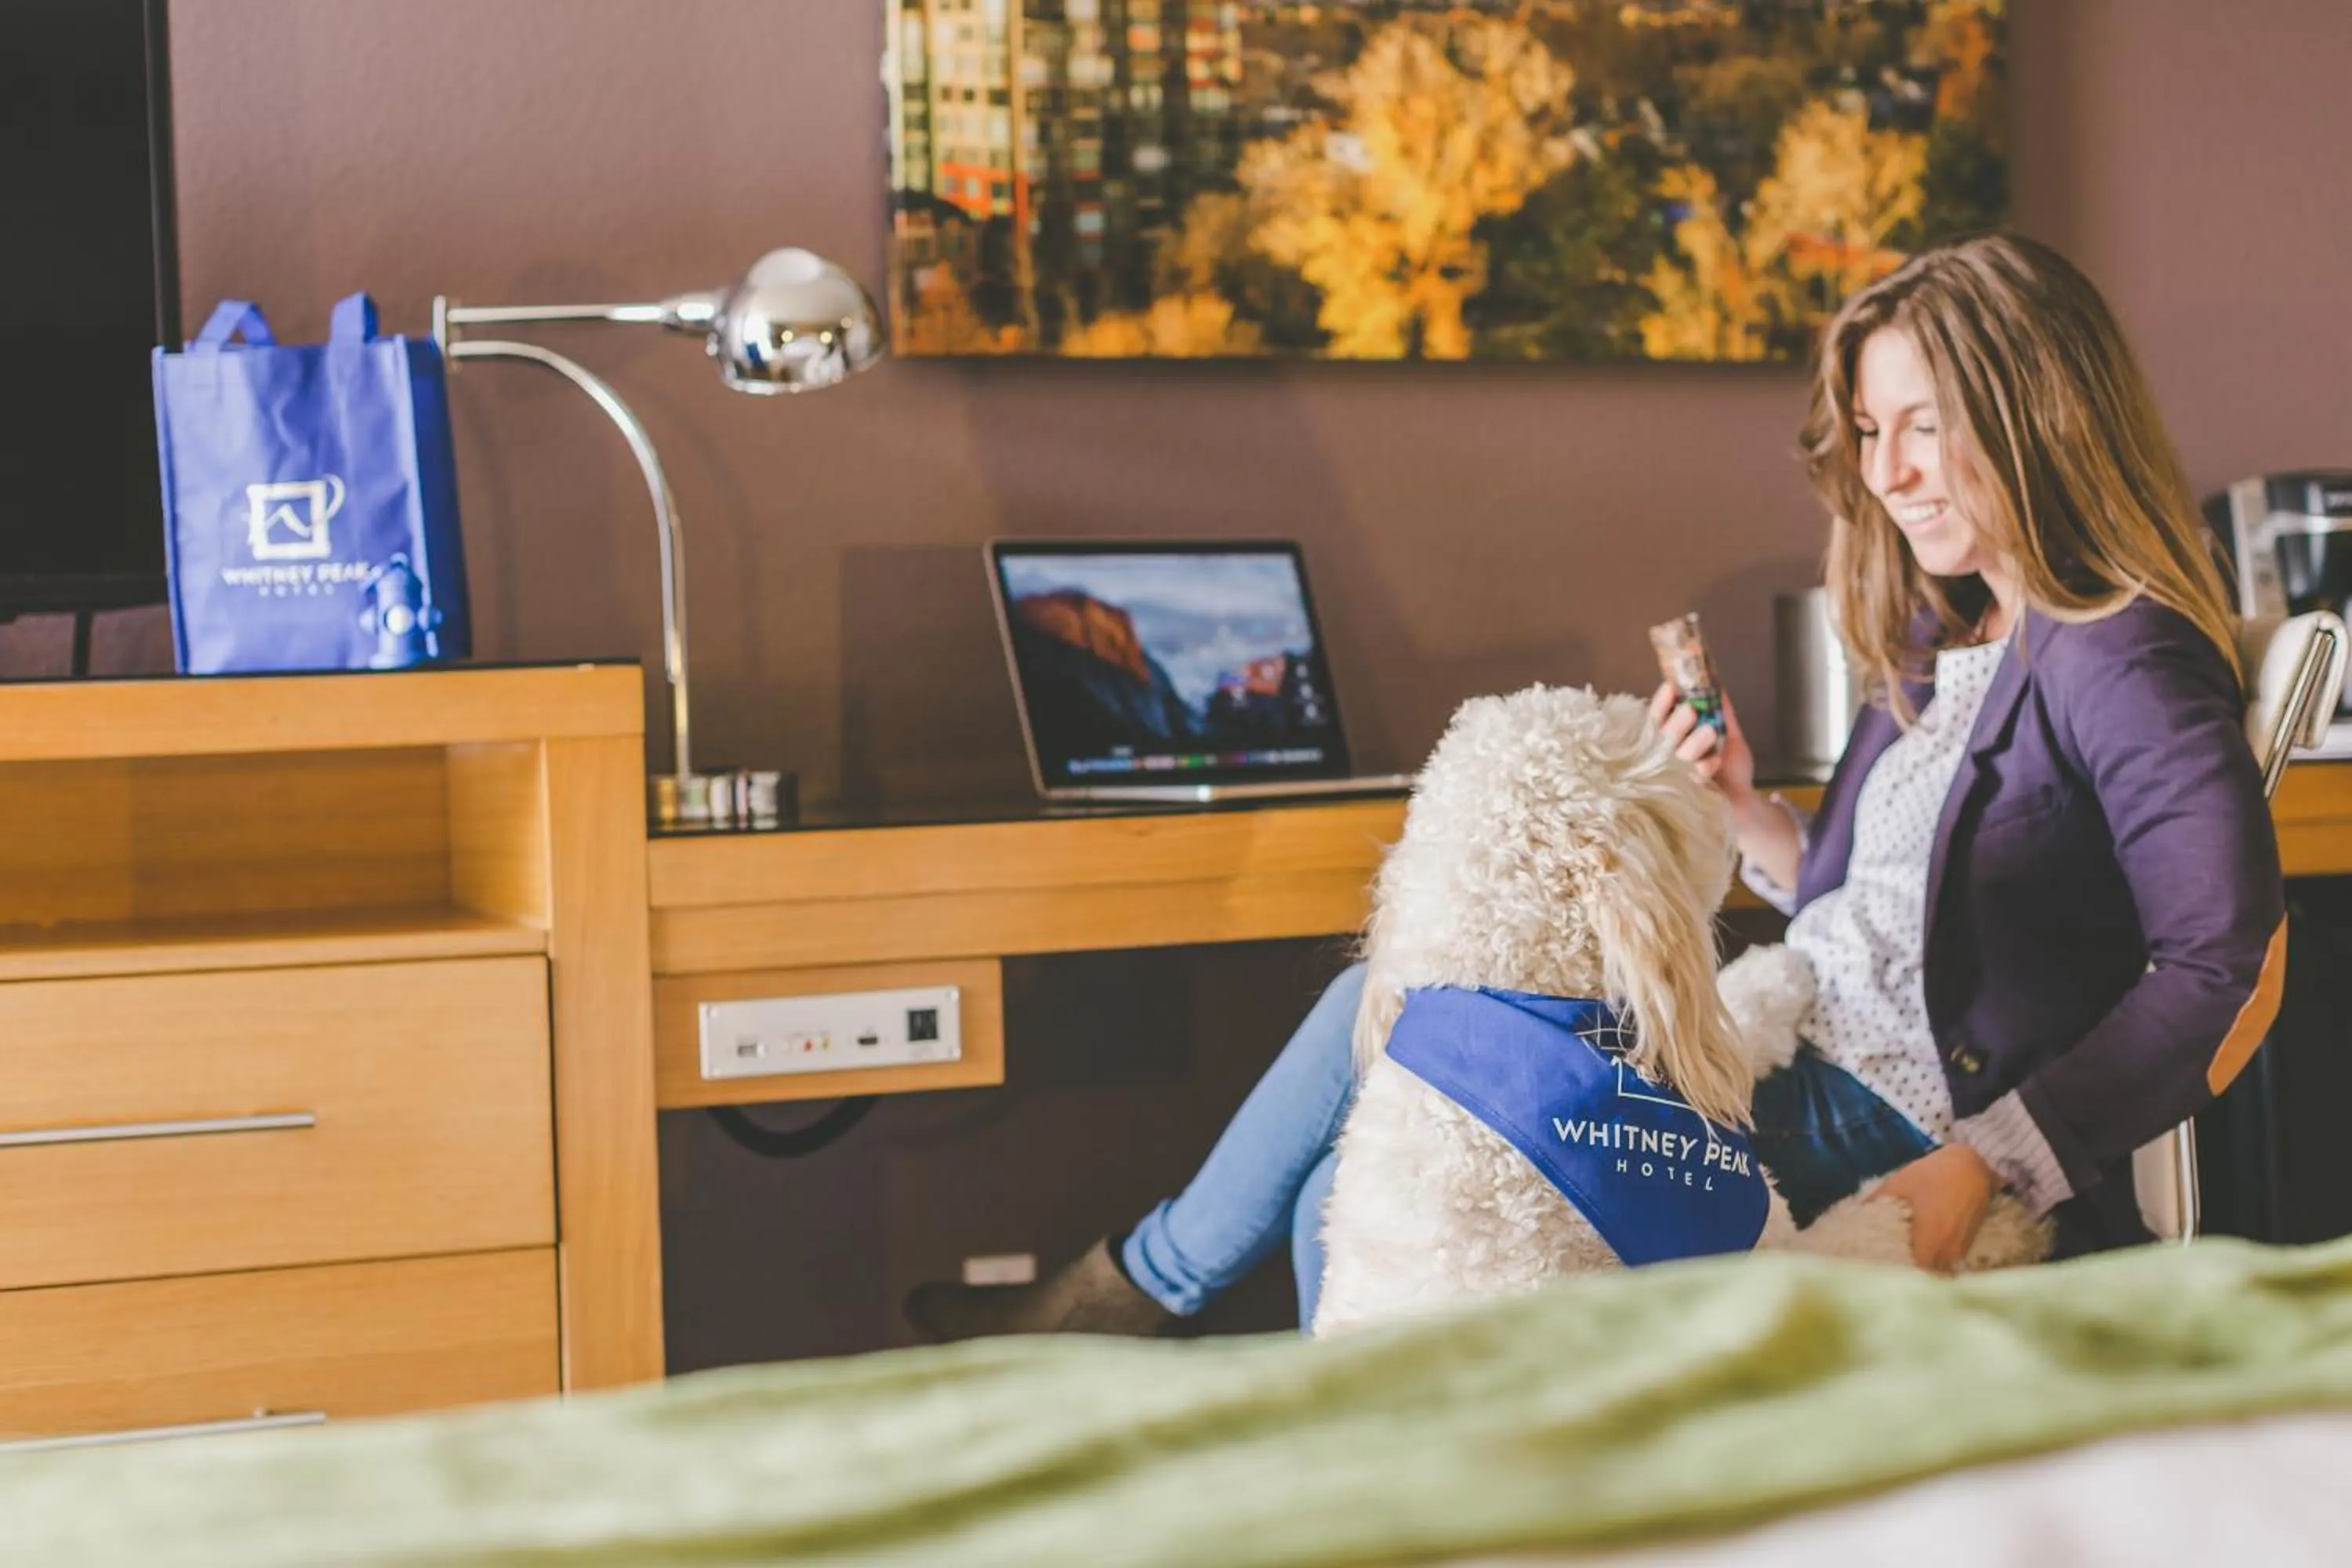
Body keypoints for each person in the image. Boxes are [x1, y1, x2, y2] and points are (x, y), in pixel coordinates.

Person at [903, 232, 2285, 1342]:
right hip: (1781, 1055)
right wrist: (1747, 811)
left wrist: (1992, 1159)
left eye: (1924, 425)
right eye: (1871, 431)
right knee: (1352, 1150)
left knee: (1390, 1050)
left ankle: (1122, 1311)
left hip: (1883, 1130)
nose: (1889, 473)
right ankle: (1180, 1345)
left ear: (2036, 406)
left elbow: (2214, 956)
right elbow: (1874, 912)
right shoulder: (1956, 634)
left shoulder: (2125, 655)